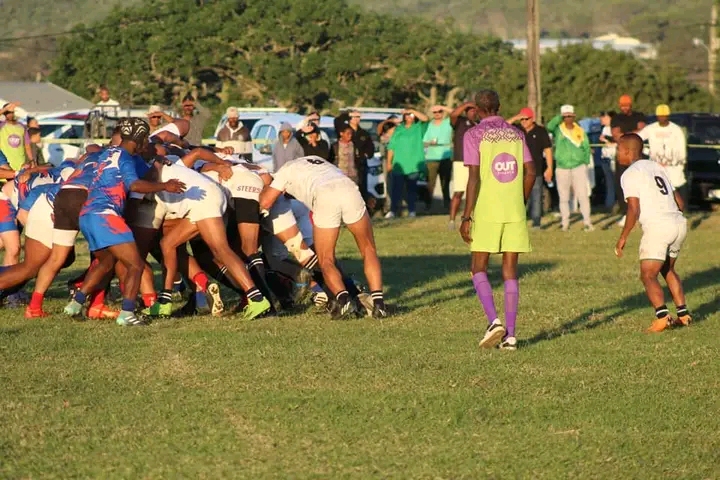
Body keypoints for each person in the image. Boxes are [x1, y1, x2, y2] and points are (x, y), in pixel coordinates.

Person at [63, 118, 186, 326]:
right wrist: (165, 186)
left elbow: (139, 177)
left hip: (88, 214)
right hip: (106, 216)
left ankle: (75, 304)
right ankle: (127, 313)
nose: (147, 142)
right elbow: (136, 185)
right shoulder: (126, 159)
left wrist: (155, 165)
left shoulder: (108, 153)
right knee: (136, 265)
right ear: (137, 140)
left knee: (105, 262)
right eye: (145, 138)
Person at [259, 155, 387, 319]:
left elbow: (266, 201)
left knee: (326, 259)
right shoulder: (314, 159)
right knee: (368, 249)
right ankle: (378, 303)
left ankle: (343, 299)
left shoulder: (284, 172)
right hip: (348, 187)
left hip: (324, 194)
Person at [459, 90, 535, 351]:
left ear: (477, 110)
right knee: (510, 270)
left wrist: (466, 216)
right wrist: (520, 201)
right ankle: (511, 336)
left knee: (478, 268)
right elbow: (531, 172)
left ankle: (493, 321)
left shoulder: (473, 135)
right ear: (499, 106)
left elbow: (473, 179)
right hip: (514, 210)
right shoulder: (516, 133)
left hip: (487, 209)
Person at [614, 133, 690, 333]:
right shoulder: (656, 167)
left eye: (618, 150)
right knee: (668, 269)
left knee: (648, 275)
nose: (617, 154)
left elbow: (633, 209)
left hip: (659, 225)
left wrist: (623, 237)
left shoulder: (629, 173)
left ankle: (662, 317)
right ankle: (684, 315)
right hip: (678, 223)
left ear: (628, 151)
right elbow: (679, 202)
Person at [546, 105, 593, 232]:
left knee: (583, 195)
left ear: (574, 116)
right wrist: (558, 118)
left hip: (578, 166)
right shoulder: (558, 129)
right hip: (562, 167)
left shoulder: (580, 131)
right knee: (564, 197)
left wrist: (585, 162)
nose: (567, 119)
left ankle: (587, 222)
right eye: (565, 116)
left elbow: (586, 147)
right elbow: (549, 127)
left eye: (570, 116)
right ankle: (565, 223)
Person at [507, 107, 553, 229]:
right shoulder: (517, 129)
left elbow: (548, 150)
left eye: (526, 119)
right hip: (518, 170)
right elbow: (502, 127)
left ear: (532, 119)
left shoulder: (541, 131)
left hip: (536, 169)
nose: (523, 122)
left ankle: (536, 221)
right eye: (521, 120)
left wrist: (549, 168)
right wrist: (516, 117)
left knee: (536, 195)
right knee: (518, 196)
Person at [638, 104, 688, 207]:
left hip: (673, 166)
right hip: (656, 166)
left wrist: (678, 163)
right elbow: (637, 139)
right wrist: (647, 151)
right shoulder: (651, 128)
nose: (662, 118)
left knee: (675, 187)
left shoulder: (676, 130)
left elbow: (682, 150)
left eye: (664, 116)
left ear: (668, 116)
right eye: (660, 116)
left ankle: (680, 211)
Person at [384, 108, 429, 219]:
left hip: (413, 164)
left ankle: (412, 210)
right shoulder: (399, 130)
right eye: (407, 115)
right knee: (396, 189)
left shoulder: (419, 128)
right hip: (399, 164)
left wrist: (412, 110)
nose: (409, 117)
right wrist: (389, 162)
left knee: (412, 189)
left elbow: (426, 119)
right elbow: (391, 147)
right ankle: (393, 211)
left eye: (411, 115)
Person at [611, 95, 645, 227]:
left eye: (627, 105)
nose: (624, 108)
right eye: (622, 106)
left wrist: (626, 136)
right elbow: (616, 135)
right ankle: (626, 212)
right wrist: (632, 136)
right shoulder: (616, 118)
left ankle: (640, 212)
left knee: (639, 184)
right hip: (623, 157)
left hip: (637, 156)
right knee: (622, 184)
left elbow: (642, 131)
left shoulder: (639, 116)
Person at [448, 101, 478, 230]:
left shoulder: (478, 125)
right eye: (470, 110)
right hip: (461, 161)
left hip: (475, 162)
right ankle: (452, 220)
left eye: (474, 110)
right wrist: (466, 104)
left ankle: (474, 218)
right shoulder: (460, 122)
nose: (473, 112)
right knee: (459, 192)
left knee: (475, 191)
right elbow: (453, 115)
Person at [423, 105, 453, 211]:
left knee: (445, 182)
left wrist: (443, 107)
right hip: (432, 157)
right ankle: (428, 205)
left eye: (439, 112)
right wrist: (430, 142)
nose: (437, 114)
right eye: (435, 112)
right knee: (430, 183)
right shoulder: (430, 125)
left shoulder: (447, 123)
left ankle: (447, 206)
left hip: (445, 155)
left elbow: (455, 113)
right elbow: (424, 142)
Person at [0, 102, 33, 170]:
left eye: (11, 112)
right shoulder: (1, 125)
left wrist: (32, 160)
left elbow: (27, 146)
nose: (10, 115)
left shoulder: (22, 126)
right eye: (7, 113)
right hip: (5, 164)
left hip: (20, 164)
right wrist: (6, 108)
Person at [598, 111, 616, 210]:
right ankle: (609, 204)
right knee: (609, 182)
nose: (602, 120)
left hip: (613, 158)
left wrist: (606, 139)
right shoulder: (604, 129)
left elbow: (615, 141)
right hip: (605, 158)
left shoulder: (615, 129)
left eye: (604, 118)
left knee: (617, 182)